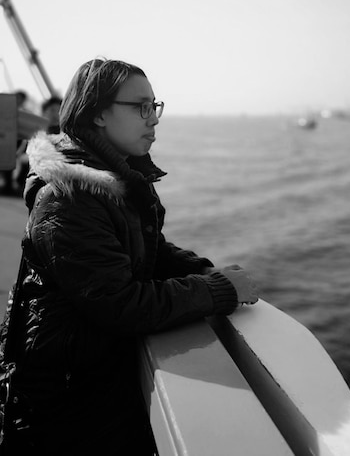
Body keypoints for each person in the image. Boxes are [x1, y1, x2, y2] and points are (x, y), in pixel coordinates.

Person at [1, 58, 258, 455]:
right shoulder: (69, 197)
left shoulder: (112, 177)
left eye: (154, 106)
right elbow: (120, 303)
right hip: (64, 401)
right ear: (98, 113)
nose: (153, 119)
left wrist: (204, 270)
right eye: (140, 107)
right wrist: (218, 290)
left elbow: (146, 248)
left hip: (92, 379)